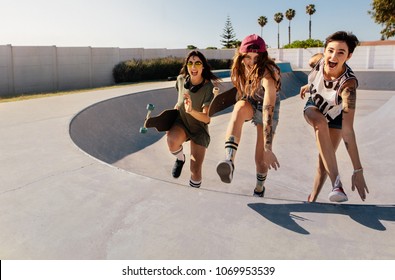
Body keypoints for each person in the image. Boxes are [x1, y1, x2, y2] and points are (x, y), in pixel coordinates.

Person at [300, 31, 369, 203]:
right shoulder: (317, 60)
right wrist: (310, 85)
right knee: (320, 123)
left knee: (324, 162)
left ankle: (312, 198)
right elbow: (316, 69)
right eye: (330, 50)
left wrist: (357, 170)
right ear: (324, 51)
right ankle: (337, 185)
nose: (333, 56)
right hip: (314, 107)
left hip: (336, 115)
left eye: (340, 53)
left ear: (349, 56)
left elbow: (348, 131)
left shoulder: (348, 86)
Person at [216, 34, 281, 197]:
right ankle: (229, 161)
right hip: (251, 102)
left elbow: (268, 109)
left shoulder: (269, 74)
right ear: (241, 55)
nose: (251, 62)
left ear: (263, 57)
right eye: (247, 57)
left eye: (256, 58)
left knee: (261, 158)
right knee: (239, 108)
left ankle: (259, 188)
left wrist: (268, 147)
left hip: (268, 108)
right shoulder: (239, 68)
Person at [167, 50, 220, 188]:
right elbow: (180, 97)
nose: (193, 67)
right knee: (172, 141)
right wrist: (177, 107)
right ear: (187, 66)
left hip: (199, 129)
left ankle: (193, 196)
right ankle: (180, 159)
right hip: (182, 123)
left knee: (195, 170)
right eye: (190, 63)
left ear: (203, 66)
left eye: (197, 63)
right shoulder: (180, 80)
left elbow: (206, 119)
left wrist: (191, 111)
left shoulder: (208, 87)